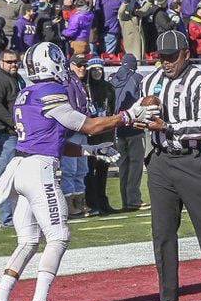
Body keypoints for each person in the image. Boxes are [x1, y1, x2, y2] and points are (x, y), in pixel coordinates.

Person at [0, 42, 158, 301]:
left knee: (28, 241)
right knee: (59, 235)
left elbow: (55, 137)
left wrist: (92, 150)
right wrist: (128, 115)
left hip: (21, 167)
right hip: (39, 170)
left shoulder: (26, 92)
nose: (63, 66)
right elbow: (86, 125)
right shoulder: (50, 91)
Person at [143, 30, 201, 301]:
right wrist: (137, 117)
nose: (166, 62)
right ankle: (167, 297)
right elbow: (139, 111)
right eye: (161, 57)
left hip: (192, 160)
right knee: (163, 233)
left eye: (171, 57)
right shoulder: (151, 80)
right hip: (160, 162)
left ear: (186, 54)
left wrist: (167, 127)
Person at [0, 49, 24, 227]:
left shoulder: (17, 78)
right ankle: (6, 218)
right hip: (4, 133)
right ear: (0, 62)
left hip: (14, 133)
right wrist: (15, 123)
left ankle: (14, 215)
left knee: (17, 176)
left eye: (15, 61)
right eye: (9, 62)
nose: (13, 64)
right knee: (6, 175)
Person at [110, 53, 146, 210]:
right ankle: (134, 199)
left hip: (117, 127)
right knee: (136, 164)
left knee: (123, 165)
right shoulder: (137, 78)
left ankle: (125, 200)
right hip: (133, 126)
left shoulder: (111, 80)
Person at [83, 58, 118, 214]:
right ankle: (92, 202)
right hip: (91, 135)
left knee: (103, 170)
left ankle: (103, 202)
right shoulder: (85, 88)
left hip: (105, 135)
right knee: (89, 171)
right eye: (94, 69)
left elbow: (112, 112)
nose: (97, 72)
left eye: (100, 69)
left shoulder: (109, 88)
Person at [60, 55, 93, 218]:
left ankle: (79, 201)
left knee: (81, 169)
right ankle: (68, 205)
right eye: (79, 65)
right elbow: (71, 110)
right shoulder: (67, 82)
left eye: (84, 65)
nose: (82, 68)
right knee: (69, 170)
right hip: (72, 132)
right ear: (70, 65)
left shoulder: (79, 82)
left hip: (81, 131)